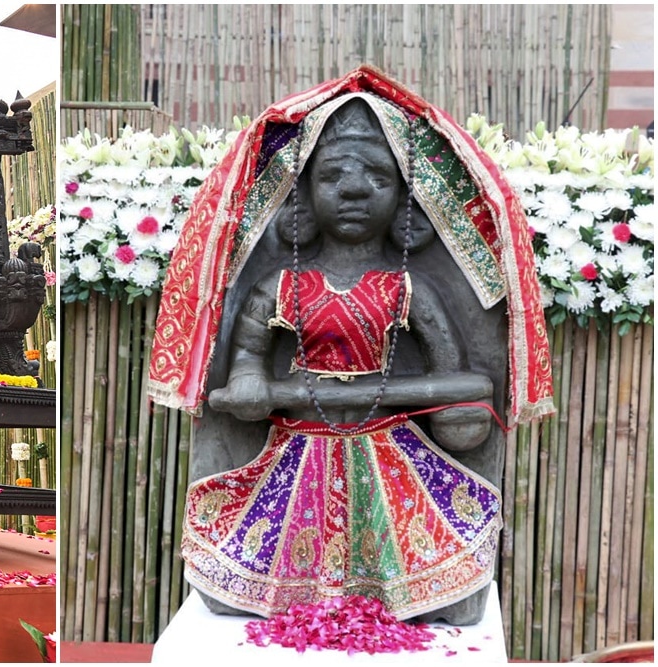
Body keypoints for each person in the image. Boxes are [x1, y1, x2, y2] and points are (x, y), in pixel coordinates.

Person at [151, 68, 554, 625]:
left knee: (420, 567)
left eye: (379, 179)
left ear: (406, 204)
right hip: (299, 445)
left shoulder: (408, 288)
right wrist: (247, 378)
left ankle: (398, 598)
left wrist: (416, 400)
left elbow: (457, 380)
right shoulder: (281, 286)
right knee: (257, 568)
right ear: (304, 196)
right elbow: (245, 352)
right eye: (333, 175)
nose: (355, 191)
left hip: (388, 447)